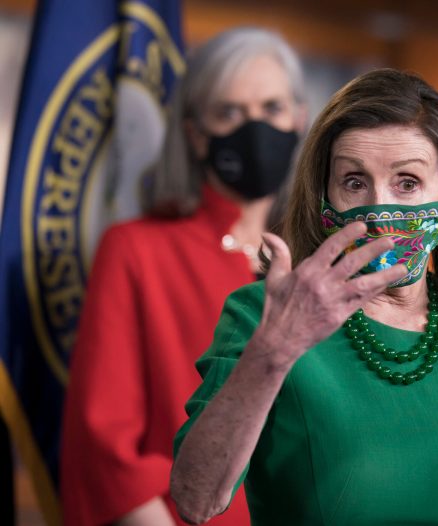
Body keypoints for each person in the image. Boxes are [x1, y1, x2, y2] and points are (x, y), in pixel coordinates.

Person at [170, 69, 438, 526]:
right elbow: (196, 499)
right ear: (324, 197)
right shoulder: (264, 314)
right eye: (354, 182)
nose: (377, 210)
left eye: (407, 183)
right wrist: (274, 353)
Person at [60, 28, 307, 526]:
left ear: (300, 120)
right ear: (195, 135)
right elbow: (106, 449)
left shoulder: (318, 260)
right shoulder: (135, 250)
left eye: (272, 108)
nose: (255, 128)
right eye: (229, 112)